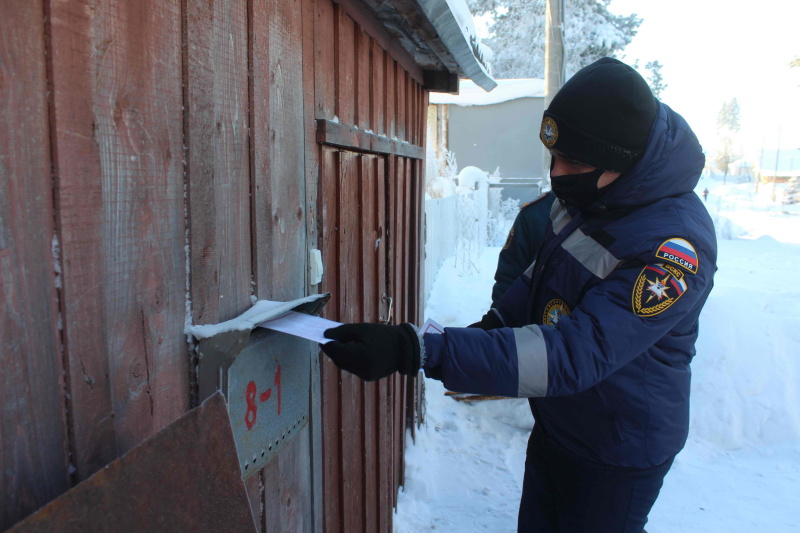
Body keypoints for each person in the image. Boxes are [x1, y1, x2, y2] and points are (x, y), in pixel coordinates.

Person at [321, 57, 717, 533]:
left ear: (622, 162)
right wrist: (494, 325)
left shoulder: (674, 247)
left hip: (619, 448)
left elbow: (573, 353)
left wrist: (419, 349)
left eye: (575, 161)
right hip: (561, 424)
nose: (557, 172)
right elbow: (538, 277)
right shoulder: (590, 197)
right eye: (554, 156)